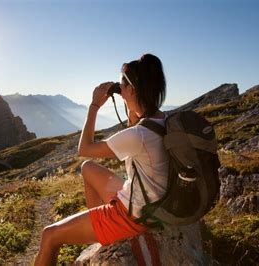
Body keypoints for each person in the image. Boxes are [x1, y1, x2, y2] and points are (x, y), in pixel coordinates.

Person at [34, 53, 169, 265]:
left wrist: (94, 106)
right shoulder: (161, 119)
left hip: (134, 217)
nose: (121, 92)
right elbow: (137, 129)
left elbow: (84, 148)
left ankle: (103, 229)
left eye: (123, 87)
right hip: (151, 202)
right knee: (88, 168)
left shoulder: (138, 135)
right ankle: (98, 228)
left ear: (133, 90)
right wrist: (132, 105)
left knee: (49, 235)